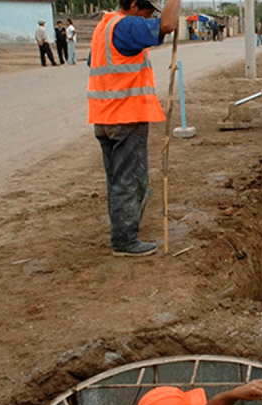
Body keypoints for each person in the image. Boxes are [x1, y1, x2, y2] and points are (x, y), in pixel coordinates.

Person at [87, 0, 180, 257]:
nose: (147, 18)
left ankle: (124, 229)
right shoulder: (127, 25)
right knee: (131, 180)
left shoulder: (103, 28)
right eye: (146, 12)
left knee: (118, 179)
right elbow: (167, 26)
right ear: (130, 4)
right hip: (125, 117)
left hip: (104, 117)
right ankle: (125, 241)